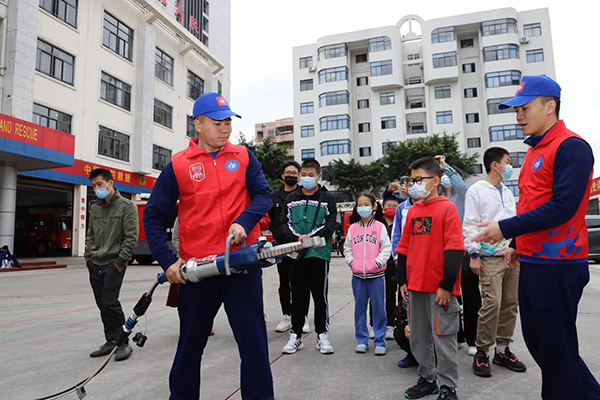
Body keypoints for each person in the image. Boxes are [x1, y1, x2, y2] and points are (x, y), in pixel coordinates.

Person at [473, 75, 600, 399]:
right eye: (516, 110)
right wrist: (517, 244)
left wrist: (505, 229)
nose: (518, 116)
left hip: (559, 264)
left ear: (549, 106)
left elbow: (563, 207)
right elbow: (533, 204)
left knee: (556, 351)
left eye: (525, 108)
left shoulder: (571, 147)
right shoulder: (534, 152)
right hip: (535, 260)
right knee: (545, 347)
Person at [143, 92, 274, 399]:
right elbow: (154, 214)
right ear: (198, 125)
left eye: (228, 121)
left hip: (241, 264)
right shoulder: (179, 164)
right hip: (199, 271)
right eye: (217, 123)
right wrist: (167, 261)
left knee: (254, 345)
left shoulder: (243, 156)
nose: (225, 129)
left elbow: (264, 196)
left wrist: (244, 221)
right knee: (190, 346)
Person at [397, 157, 464, 400]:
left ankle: (448, 386)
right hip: (415, 287)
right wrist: (402, 279)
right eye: (411, 180)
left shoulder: (447, 208)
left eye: (419, 180)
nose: (413, 184)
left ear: (435, 181)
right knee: (418, 337)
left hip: (440, 290)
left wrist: (447, 286)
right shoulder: (413, 211)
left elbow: (455, 249)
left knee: (444, 339)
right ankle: (427, 379)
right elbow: (403, 248)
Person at [463, 147, 526, 378]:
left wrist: (517, 247)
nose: (510, 167)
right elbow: (470, 224)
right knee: (492, 303)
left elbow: (516, 221)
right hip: (489, 257)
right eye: (508, 162)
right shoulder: (476, 191)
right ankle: (482, 352)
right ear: (495, 165)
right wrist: (474, 254)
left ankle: (502, 350)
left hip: (511, 255)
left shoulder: (508, 191)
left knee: (510, 302)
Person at [279, 158, 337, 355]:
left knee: (320, 297)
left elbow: (330, 224)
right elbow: (283, 224)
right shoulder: (291, 198)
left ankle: (322, 335)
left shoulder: (327, 198)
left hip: (318, 254)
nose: (307, 178)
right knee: (298, 296)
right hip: (295, 254)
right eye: (304, 175)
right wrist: (297, 238)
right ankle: (295, 336)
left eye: (311, 175)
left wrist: (311, 237)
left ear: (319, 176)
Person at [85, 168, 139, 361]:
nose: (97, 188)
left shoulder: (126, 206)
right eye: (93, 186)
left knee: (110, 302)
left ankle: (123, 343)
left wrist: (120, 262)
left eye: (99, 184)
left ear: (110, 183)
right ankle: (111, 341)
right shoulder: (96, 207)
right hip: (95, 262)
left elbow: (131, 238)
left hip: (114, 263)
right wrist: (88, 257)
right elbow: (91, 234)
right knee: (102, 304)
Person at [436, 155, 480, 357]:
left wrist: (446, 167)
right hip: (444, 251)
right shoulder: (439, 199)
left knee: (470, 295)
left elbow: (462, 186)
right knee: (451, 296)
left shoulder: (463, 196)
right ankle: (458, 335)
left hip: (464, 248)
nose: (445, 179)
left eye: (448, 176)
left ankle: (473, 338)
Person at [344, 193, 392, 356]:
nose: (363, 207)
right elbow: (347, 248)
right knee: (359, 309)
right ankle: (362, 340)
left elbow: (386, 248)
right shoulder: (353, 228)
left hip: (376, 276)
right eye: (360, 204)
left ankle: (380, 340)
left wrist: (377, 263)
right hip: (358, 277)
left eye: (366, 204)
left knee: (379, 308)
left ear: (373, 207)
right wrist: (352, 263)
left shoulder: (379, 227)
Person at [268, 160, 310, 334]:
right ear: (282, 175)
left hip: (300, 246)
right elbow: (269, 219)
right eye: (288, 173)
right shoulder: (274, 196)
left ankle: (303, 317)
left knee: (301, 282)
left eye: (294, 173)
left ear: (299, 176)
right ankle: (287, 315)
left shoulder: (304, 195)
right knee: (284, 281)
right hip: (281, 246)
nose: (291, 176)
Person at [381, 196, 399, 339]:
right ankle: (377, 324)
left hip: (397, 263)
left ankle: (394, 325)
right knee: (381, 295)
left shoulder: (400, 223)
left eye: (395, 205)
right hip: (381, 264)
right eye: (388, 205)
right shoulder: (378, 223)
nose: (391, 208)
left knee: (397, 295)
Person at [393, 301, 418, 368]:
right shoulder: (406, 300)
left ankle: (434, 360)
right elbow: (397, 319)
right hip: (412, 328)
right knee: (398, 332)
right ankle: (413, 356)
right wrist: (405, 325)